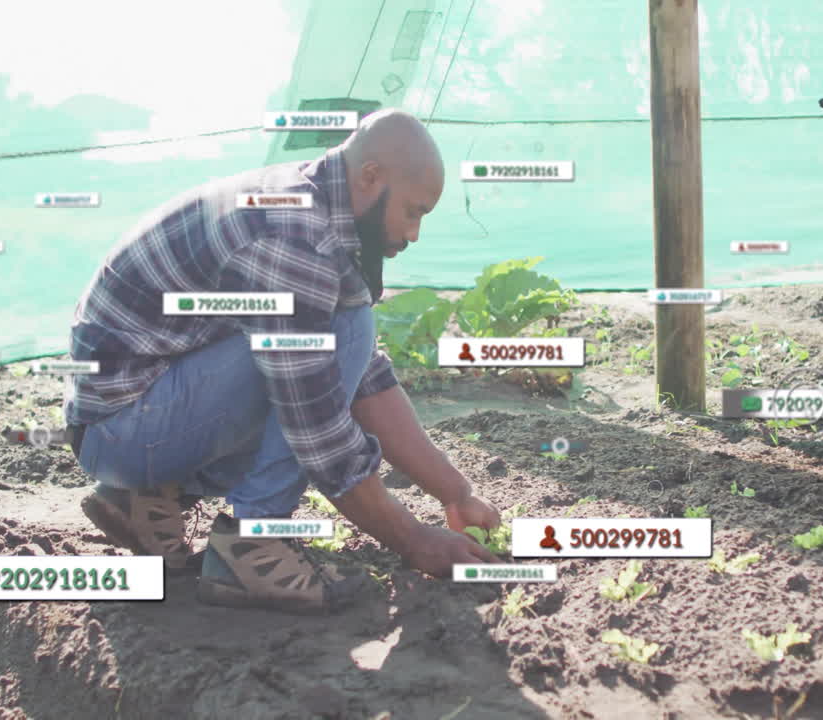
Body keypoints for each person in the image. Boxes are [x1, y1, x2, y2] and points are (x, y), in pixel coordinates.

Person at [63, 109, 501, 614]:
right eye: (413, 211)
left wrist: (455, 493)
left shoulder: (321, 214)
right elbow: (316, 427)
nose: (415, 232)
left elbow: (364, 379)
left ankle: (145, 499)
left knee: (344, 336)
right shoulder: (296, 234)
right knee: (338, 340)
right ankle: (252, 545)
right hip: (122, 427)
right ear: (370, 177)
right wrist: (414, 541)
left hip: (134, 418)